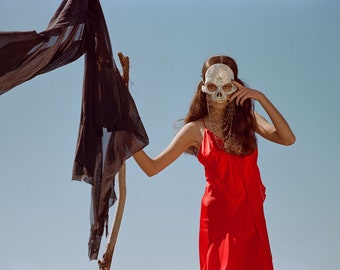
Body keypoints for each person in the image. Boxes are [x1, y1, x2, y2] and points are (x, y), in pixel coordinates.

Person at [133, 55, 295, 270]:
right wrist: (126, 137)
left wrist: (261, 98)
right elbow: (151, 167)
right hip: (218, 218)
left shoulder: (249, 121)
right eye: (212, 84)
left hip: (250, 216)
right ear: (203, 86)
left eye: (226, 85)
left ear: (235, 87)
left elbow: (288, 139)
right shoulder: (194, 130)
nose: (219, 91)